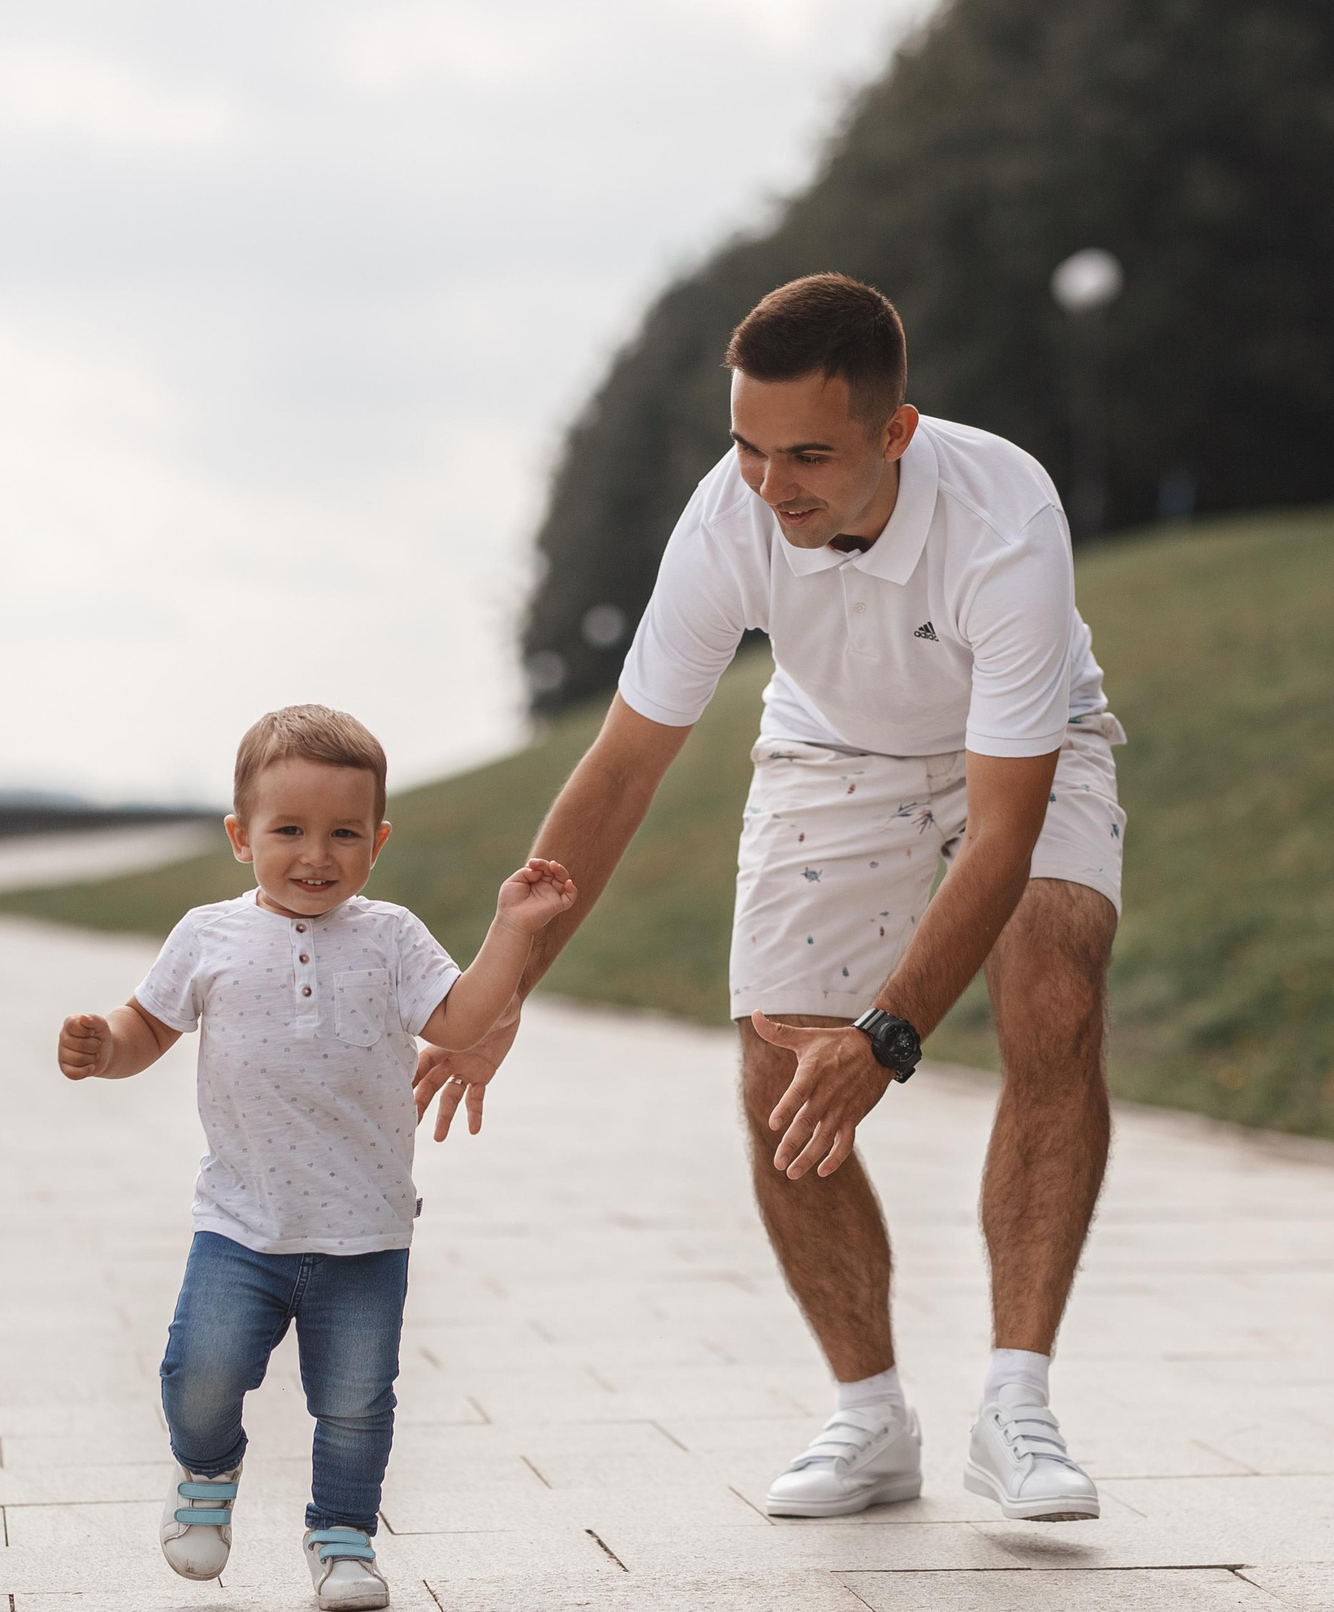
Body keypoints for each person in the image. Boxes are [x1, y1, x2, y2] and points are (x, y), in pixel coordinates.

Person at [415, 274, 1124, 1522]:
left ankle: (1017, 1406)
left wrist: (888, 1037)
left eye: (807, 455)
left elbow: (1004, 835)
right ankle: (869, 1417)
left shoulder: (1004, 520)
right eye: (748, 446)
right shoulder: (727, 519)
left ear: (894, 432)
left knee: (1055, 989)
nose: (769, 483)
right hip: (829, 744)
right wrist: (499, 987)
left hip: (1022, 743)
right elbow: (621, 770)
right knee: (776, 1068)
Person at [55, 705, 576, 1608]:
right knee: (199, 1372)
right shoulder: (207, 934)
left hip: (365, 1230)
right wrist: (106, 1045)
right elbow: (148, 1024)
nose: (316, 854)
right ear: (240, 836)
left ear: (377, 841)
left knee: (356, 1401)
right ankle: (206, 1473)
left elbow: (461, 1019)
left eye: (343, 833)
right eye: (288, 830)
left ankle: (342, 1538)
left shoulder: (392, 935)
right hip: (241, 1222)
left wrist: (513, 929)